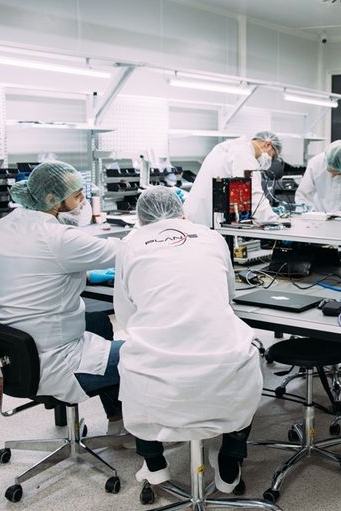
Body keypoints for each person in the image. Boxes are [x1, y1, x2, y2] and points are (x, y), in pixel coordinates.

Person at [114, 187, 263, 491]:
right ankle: (230, 459)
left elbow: (126, 317)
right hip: (222, 368)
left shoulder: (129, 245)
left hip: (157, 376)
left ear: (140, 220)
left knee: (129, 357)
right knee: (248, 355)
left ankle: (154, 463)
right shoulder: (211, 236)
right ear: (182, 211)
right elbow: (228, 295)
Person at [0, 161, 124, 432]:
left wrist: (89, 275)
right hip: (55, 361)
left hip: (12, 355)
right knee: (142, 356)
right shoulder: (58, 237)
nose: (82, 202)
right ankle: (147, 445)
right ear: (52, 199)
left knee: (98, 323)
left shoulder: (2, 226)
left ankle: (116, 418)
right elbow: (126, 251)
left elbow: (34, 270)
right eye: (77, 196)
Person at [182, 131, 282, 227]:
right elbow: (252, 192)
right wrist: (271, 219)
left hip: (195, 212)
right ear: (267, 145)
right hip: (205, 218)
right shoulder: (244, 155)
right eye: (272, 155)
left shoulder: (230, 146)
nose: (269, 160)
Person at [295, 140, 341, 219]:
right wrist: (311, 214)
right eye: (331, 171)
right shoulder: (316, 163)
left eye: (338, 173)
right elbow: (303, 195)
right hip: (316, 218)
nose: (334, 175)